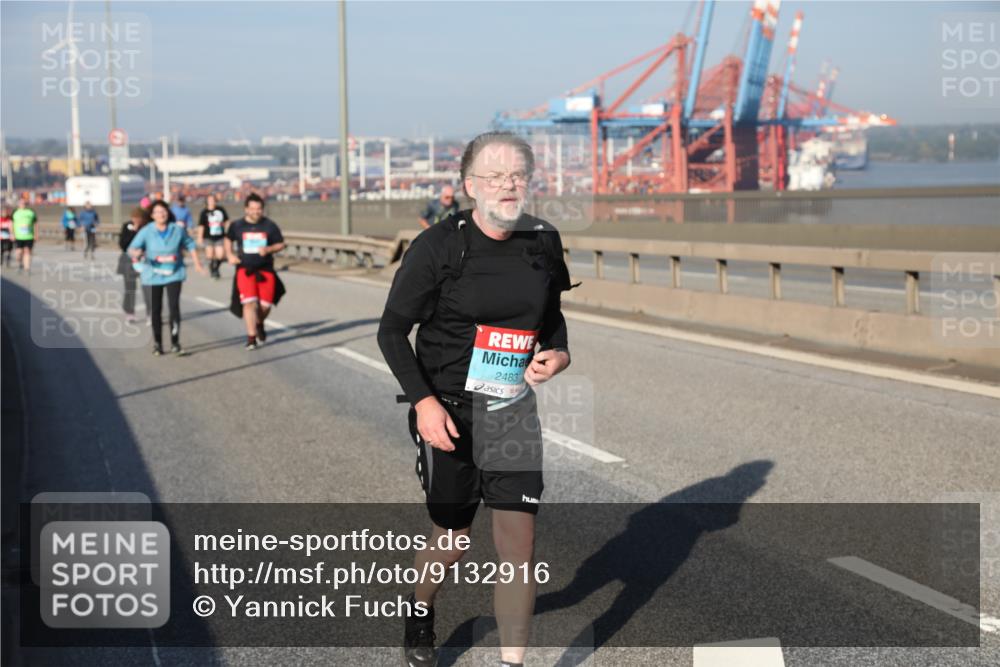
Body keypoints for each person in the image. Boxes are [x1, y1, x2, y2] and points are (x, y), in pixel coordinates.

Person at [377, 132, 574, 667]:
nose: (507, 185)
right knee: (454, 538)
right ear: (470, 186)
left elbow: (550, 317)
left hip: (511, 412)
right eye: (494, 176)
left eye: (517, 176)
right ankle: (420, 606)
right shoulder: (439, 247)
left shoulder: (543, 240)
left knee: (519, 549)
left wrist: (558, 354)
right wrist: (424, 404)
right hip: (449, 415)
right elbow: (392, 331)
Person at [128, 200, 206, 355]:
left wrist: (197, 264)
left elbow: (190, 244)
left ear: (168, 213)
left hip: (174, 273)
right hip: (153, 274)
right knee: (156, 310)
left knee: (174, 307)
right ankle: (158, 343)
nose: (161, 214)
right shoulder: (146, 231)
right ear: (152, 215)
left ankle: (175, 342)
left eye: (163, 211)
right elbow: (132, 248)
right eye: (157, 212)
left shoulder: (176, 229)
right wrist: (135, 253)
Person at [225, 193, 286, 350]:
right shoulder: (237, 225)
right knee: (249, 303)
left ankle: (259, 322)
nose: (256, 211)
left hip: (265, 269)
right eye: (252, 208)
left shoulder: (269, 226)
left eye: (258, 209)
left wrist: (268, 249)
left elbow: (281, 244)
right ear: (246, 209)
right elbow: (228, 239)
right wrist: (230, 254)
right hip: (245, 269)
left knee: (265, 306)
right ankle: (251, 338)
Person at [118, 207, 152, 324]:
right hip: (128, 262)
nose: (136, 220)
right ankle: (130, 313)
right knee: (130, 289)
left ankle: (150, 314)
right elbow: (123, 244)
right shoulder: (127, 226)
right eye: (134, 218)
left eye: (138, 218)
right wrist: (133, 231)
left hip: (144, 262)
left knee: (148, 289)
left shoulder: (148, 228)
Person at [197, 194, 229, 279]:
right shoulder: (204, 212)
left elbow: (226, 221)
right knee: (210, 255)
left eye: (213, 200)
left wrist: (228, 233)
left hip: (220, 236)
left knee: (220, 255)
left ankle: (216, 268)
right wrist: (199, 237)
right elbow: (201, 226)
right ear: (207, 201)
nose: (211, 202)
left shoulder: (221, 210)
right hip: (208, 237)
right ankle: (212, 269)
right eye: (210, 200)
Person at [12, 199, 38, 273]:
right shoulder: (15, 212)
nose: (23, 204)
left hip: (29, 236)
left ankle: (27, 268)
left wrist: (36, 234)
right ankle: (20, 264)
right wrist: (12, 234)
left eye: (24, 203)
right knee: (19, 252)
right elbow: (11, 224)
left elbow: (35, 224)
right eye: (21, 203)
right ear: (18, 204)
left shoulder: (31, 212)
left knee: (27, 252)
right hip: (18, 236)